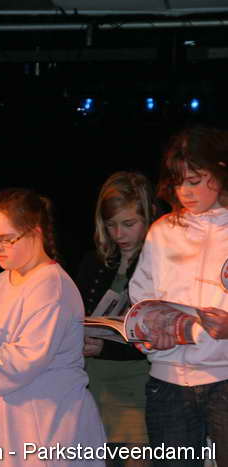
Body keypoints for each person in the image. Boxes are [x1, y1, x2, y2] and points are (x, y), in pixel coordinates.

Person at [0, 188, 106, 467]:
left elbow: (21, 363)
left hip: (41, 425)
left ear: (35, 233)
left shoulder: (52, 286)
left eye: (6, 239)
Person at [129, 126, 228, 466]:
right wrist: (148, 331)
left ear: (220, 171)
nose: (185, 191)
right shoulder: (162, 231)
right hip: (168, 382)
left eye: (195, 180)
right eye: (178, 182)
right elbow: (142, 299)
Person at [77, 172, 157, 467]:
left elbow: (155, 337)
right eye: (111, 225)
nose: (119, 234)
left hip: (136, 389)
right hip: (93, 387)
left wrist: (105, 347)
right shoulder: (93, 262)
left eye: (128, 224)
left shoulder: (159, 264)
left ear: (148, 218)